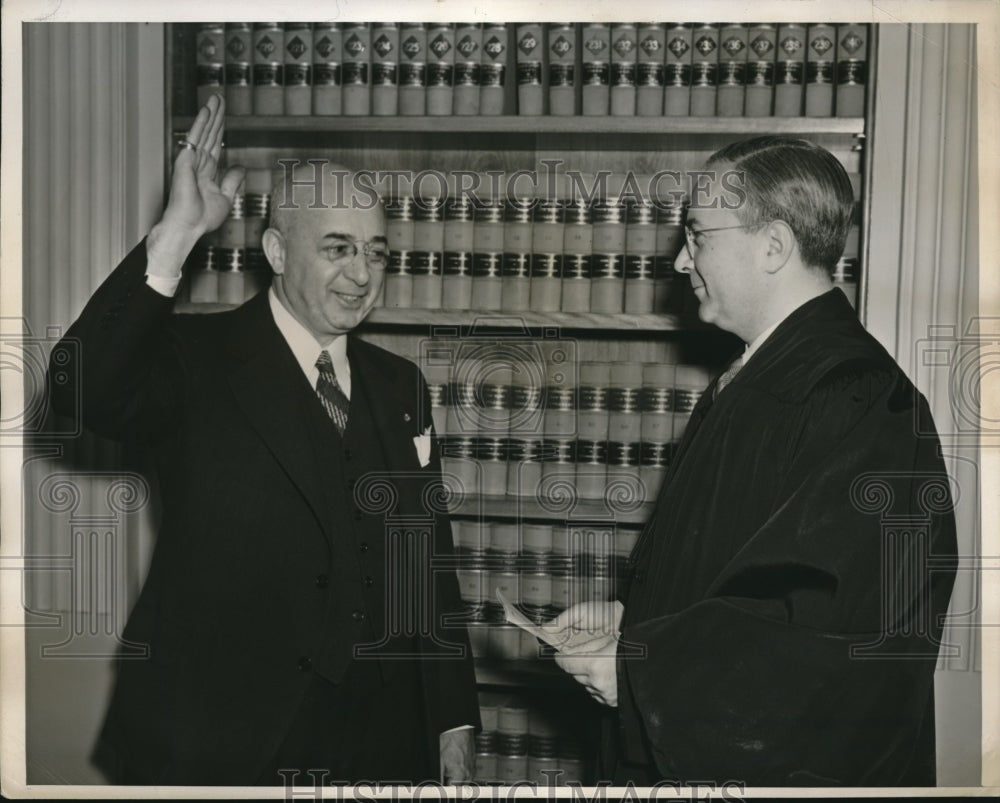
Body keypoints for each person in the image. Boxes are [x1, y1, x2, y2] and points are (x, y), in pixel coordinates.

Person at [49, 95, 479, 786]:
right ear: (276, 250)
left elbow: (426, 562)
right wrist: (174, 236)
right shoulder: (196, 356)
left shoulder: (401, 386)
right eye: (337, 249)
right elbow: (77, 393)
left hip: (378, 742)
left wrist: (452, 720)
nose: (363, 274)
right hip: (221, 740)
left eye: (376, 252)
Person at [552, 136, 958, 786]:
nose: (682, 259)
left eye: (697, 234)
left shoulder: (854, 399)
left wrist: (641, 668)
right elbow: (746, 581)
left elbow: (828, 636)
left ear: (772, 245)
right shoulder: (767, 378)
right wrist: (636, 622)